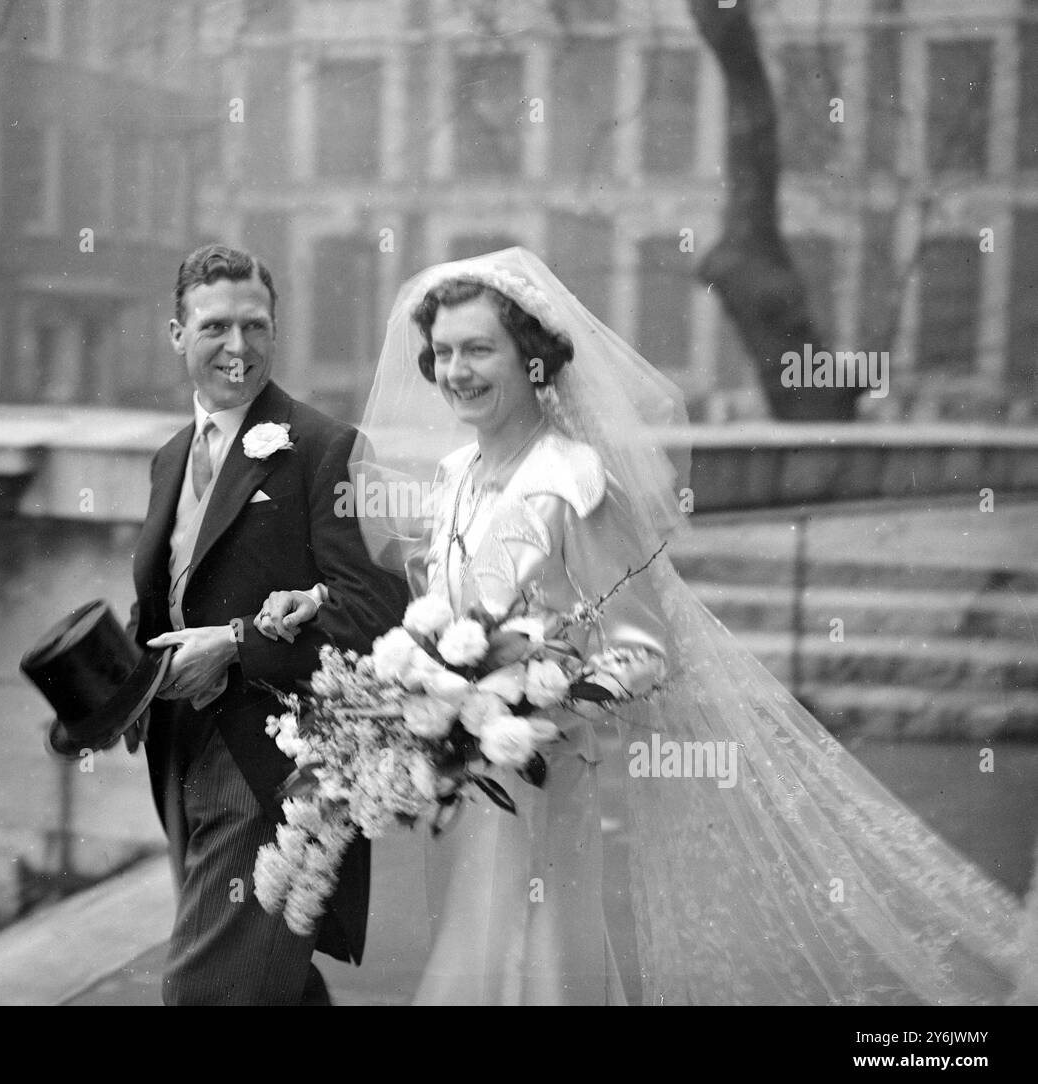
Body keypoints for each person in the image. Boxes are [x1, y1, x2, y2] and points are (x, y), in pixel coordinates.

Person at [253, 246, 1024, 1005]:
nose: (456, 370)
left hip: (544, 777)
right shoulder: (455, 477)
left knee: (539, 959)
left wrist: (524, 707)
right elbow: (438, 613)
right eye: (444, 351)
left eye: (480, 348)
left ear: (534, 360)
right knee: (474, 950)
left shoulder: (577, 481)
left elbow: (644, 651)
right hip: (465, 789)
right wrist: (361, 647)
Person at [125, 244, 407, 1005]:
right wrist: (115, 686)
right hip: (184, 759)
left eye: (256, 325)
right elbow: (167, 602)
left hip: (272, 775)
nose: (239, 348)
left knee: (207, 991)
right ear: (176, 334)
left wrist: (240, 644)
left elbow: (378, 614)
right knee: (271, 984)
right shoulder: (169, 459)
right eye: (216, 327)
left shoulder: (326, 449)